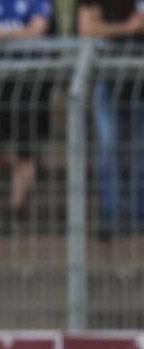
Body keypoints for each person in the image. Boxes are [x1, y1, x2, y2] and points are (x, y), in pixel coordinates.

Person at [0, 0, 56, 235]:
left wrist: (2, 36)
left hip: (28, 81)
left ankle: (15, 206)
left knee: (24, 150)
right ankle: (25, 173)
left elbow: (38, 28)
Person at [78, 0, 144, 239]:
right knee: (108, 147)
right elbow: (87, 27)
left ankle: (138, 212)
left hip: (140, 80)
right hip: (109, 80)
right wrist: (127, 28)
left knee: (141, 153)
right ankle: (112, 211)